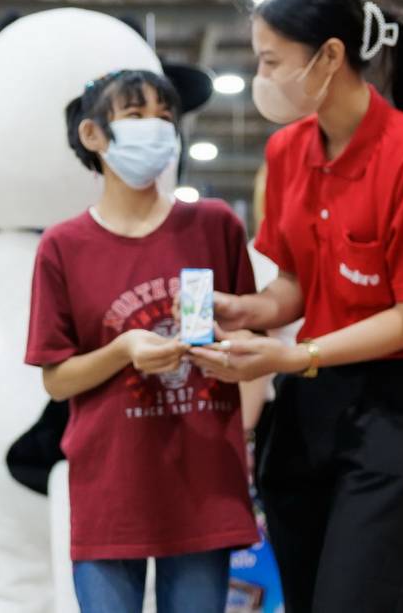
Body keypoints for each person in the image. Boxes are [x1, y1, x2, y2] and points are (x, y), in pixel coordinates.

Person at [190, 0, 403, 613]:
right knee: (308, 591)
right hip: (312, 401)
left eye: (271, 61)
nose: (262, 77)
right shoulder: (286, 152)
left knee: (361, 596)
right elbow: (296, 282)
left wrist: (295, 354)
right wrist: (250, 310)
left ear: (328, 57)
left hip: (396, 401)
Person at [26, 70, 258, 613]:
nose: (154, 127)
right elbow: (56, 380)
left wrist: (226, 349)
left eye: (164, 116)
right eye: (135, 115)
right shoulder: (63, 246)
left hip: (203, 483)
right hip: (110, 489)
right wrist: (123, 350)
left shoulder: (215, 225)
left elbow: (254, 342)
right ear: (92, 134)